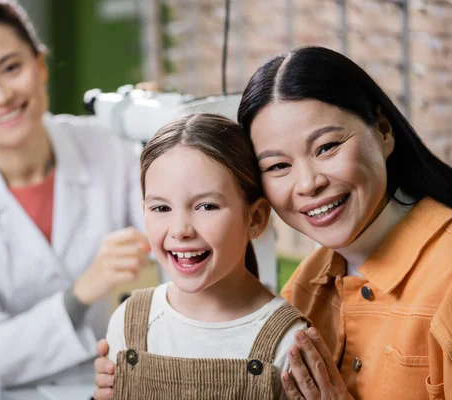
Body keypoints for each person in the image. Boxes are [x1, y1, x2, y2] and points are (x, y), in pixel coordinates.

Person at [92, 46, 452, 400]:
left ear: (384, 131)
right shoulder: (307, 287)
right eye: (278, 166)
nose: (309, 182)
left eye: (326, 147)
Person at [0, 0, 155, 398]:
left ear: (39, 65)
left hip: (94, 377)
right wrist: (82, 291)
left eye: (11, 67)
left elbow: (169, 241)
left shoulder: (109, 145)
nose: (1, 95)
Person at [106, 113, 308, 399]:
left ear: (256, 217)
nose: (180, 230)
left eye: (206, 206)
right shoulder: (128, 322)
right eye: (161, 208)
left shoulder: (290, 342)